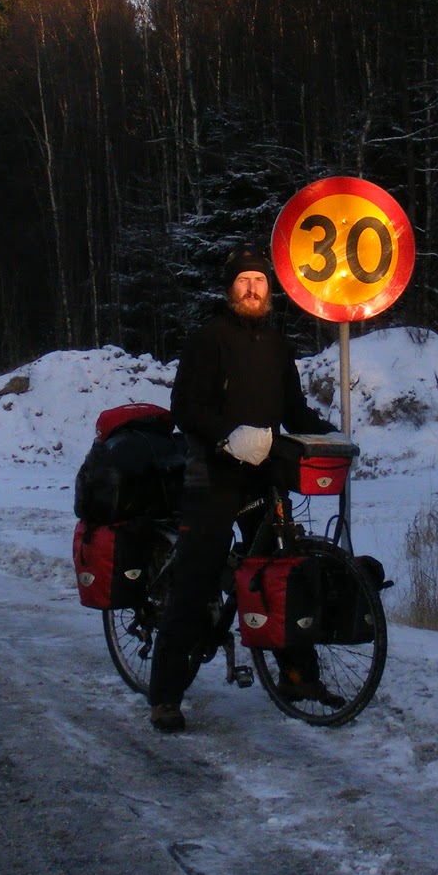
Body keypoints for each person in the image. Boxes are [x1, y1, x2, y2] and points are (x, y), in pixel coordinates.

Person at [148, 243, 340, 733]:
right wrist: (225, 435)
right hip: (214, 474)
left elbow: (293, 410)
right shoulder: (208, 338)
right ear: (230, 288)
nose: (253, 290)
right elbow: (185, 407)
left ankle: (297, 676)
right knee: (197, 576)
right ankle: (166, 694)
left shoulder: (276, 344)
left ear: (269, 291)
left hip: (265, 474)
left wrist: (328, 433)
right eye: (243, 282)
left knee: (283, 570)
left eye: (260, 282)